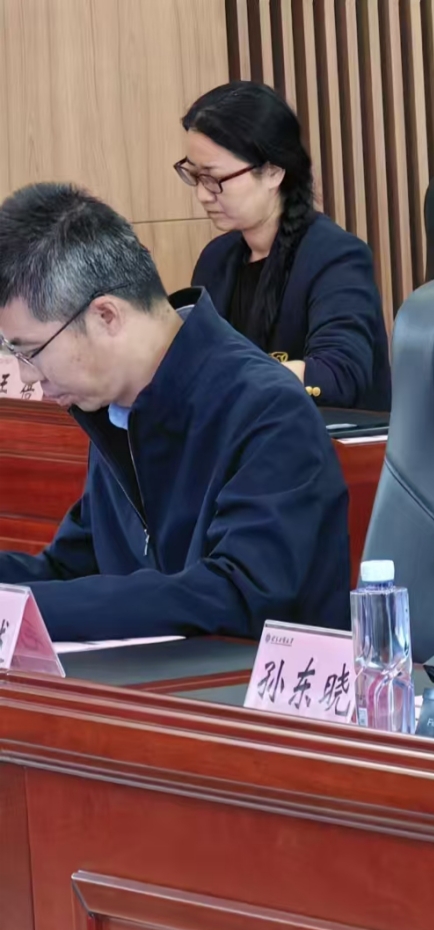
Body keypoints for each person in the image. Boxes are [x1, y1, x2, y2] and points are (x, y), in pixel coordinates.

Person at [0, 183, 351, 641]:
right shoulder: (116, 409)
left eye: (30, 351)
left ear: (106, 316)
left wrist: (33, 609)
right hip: (156, 678)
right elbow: (71, 570)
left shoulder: (268, 411)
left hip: (245, 682)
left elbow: (236, 597)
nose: (27, 376)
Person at [179, 81, 390, 410]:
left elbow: (338, 376)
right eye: (194, 175)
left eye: (213, 178)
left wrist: (230, 379)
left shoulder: (336, 256)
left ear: (273, 172)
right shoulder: (216, 259)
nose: (203, 194)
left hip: (327, 437)